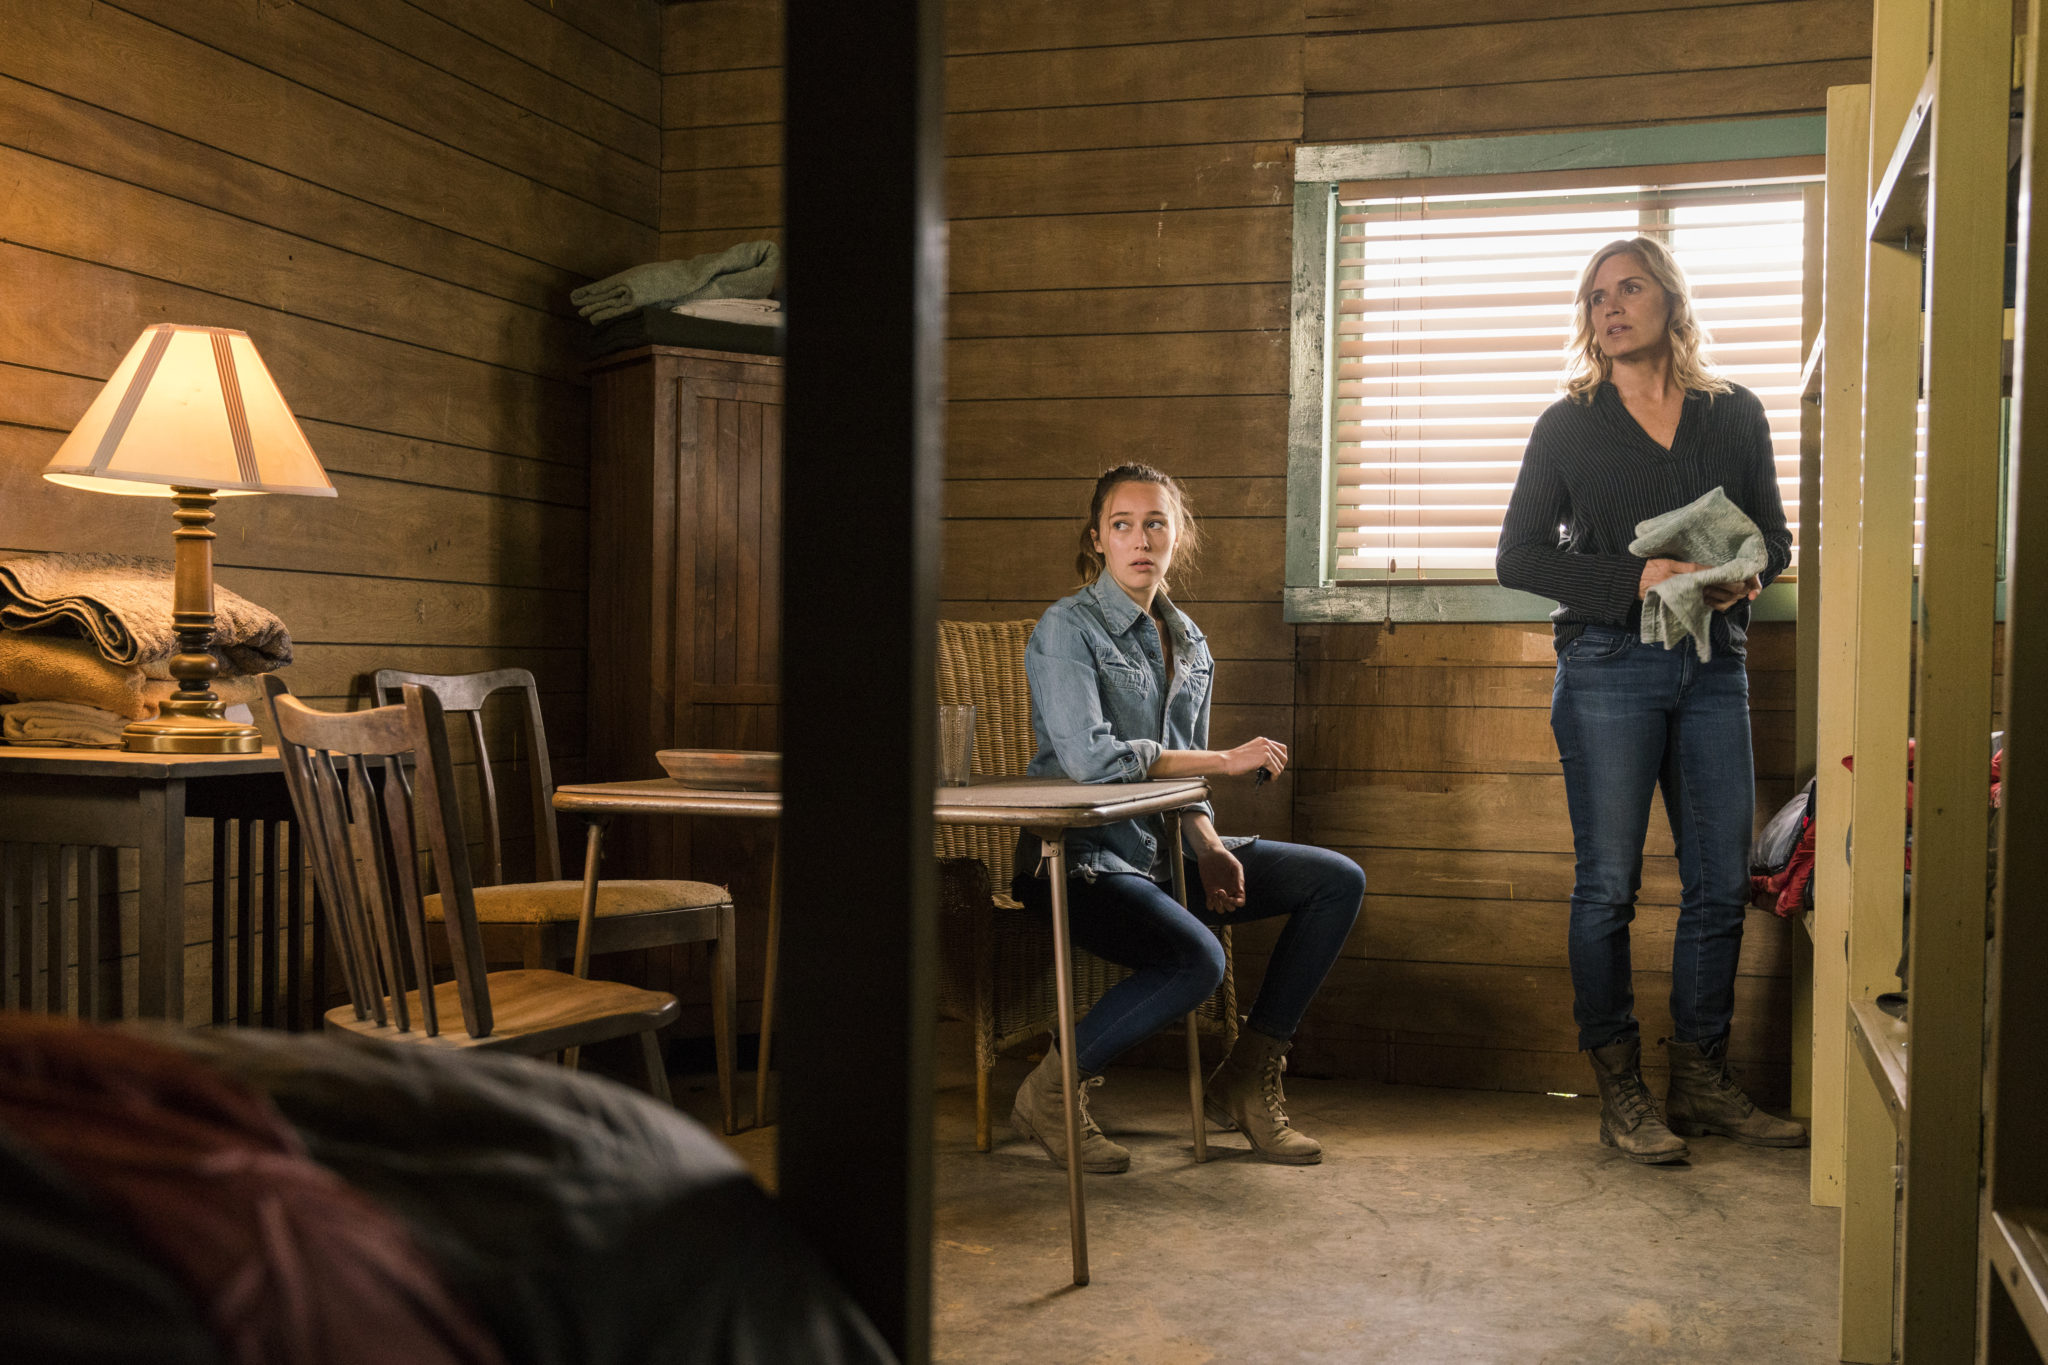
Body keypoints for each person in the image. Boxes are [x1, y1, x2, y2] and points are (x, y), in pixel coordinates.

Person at [1496, 236, 1808, 1164]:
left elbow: (1775, 537)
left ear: (1671, 299)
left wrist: (1744, 574)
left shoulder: (1734, 411)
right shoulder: (1568, 425)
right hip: (1606, 663)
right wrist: (1635, 579)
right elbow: (1518, 556)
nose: (1611, 307)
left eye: (1630, 288)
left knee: (1720, 882)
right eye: (1597, 296)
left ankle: (1701, 1080)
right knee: (1608, 886)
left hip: (1713, 663)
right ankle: (1620, 1089)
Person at [1008, 463, 1364, 1172]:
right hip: (1079, 863)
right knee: (1198, 959)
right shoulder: (1066, 628)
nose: (1140, 540)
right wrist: (1227, 759)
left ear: (1178, 536)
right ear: (1098, 539)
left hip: (1162, 856)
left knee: (1336, 881)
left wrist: (1206, 844)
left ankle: (1245, 1079)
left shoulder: (1190, 640)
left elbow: (1185, 781)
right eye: (1122, 525)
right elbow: (1091, 761)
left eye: (1155, 524)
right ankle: (1049, 1091)